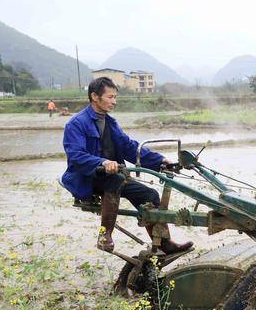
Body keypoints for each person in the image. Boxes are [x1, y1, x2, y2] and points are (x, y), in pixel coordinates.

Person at [61, 77, 193, 254]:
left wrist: (159, 161)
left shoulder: (111, 123)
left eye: (115, 97)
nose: (114, 101)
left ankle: (164, 243)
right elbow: (76, 155)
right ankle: (104, 235)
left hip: (114, 175)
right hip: (86, 178)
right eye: (110, 97)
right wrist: (102, 162)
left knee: (150, 195)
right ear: (94, 96)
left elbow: (130, 148)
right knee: (114, 180)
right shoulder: (76, 123)